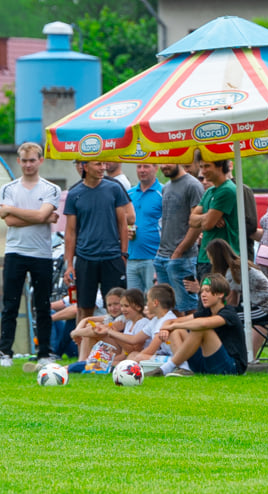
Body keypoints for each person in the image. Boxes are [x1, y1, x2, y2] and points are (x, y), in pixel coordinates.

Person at [0, 143, 61, 369]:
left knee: (42, 304)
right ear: (19, 161)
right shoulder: (9, 189)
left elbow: (38, 213)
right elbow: (10, 221)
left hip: (41, 254)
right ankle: (5, 351)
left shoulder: (50, 188)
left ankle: (44, 353)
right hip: (15, 251)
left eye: (32, 160)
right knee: (10, 304)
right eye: (24, 161)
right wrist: (41, 217)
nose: (28, 165)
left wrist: (35, 215)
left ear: (40, 161)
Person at [63, 160, 130, 326]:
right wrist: (69, 264)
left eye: (103, 164)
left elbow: (123, 223)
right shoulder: (74, 193)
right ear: (86, 167)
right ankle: (83, 350)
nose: (103, 167)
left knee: (116, 307)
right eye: (98, 164)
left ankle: (116, 349)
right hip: (85, 258)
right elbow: (70, 232)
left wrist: (123, 254)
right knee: (84, 308)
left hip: (112, 257)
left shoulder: (114, 189)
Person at [145, 274, 248, 377]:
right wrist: (166, 328)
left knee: (202, 329)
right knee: (177, 330)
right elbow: (172, 321)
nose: (203, 295)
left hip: (232, 367)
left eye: (207, 291)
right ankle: (184, 367)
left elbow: (204, 323)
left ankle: (166, 368)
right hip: (208, 363)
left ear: (220, 294)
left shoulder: (229, 312)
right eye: (202, 291)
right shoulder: (205, 311)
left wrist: (173, 326)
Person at [206, 238, 268, 355]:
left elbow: (229, 300)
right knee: (227, 315)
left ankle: (227, 351)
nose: (210, 261)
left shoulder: (233, 272)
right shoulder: (239, 265)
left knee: (225, 318)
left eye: (210, 257)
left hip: (266, 309)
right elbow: (234, 301)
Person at [154, 163, 204, 315]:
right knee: (168, 307)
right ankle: (178, 339)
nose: (164, 166)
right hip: (162, 256)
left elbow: (197, 224)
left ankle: (193, 338)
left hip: (183, 258)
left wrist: (179, 251)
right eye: (161, 163)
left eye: (168, 162)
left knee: (189, 306)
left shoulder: (193, 185)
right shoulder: (166, 187)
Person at [189, 155, 240, 278]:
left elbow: (207, 225)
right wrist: (209, 215)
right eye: (201, 167)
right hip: (205, 256)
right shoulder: (210, 191)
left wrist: (208, 218)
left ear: (220, 166)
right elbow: (191, 220)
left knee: (217, 296)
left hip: (222, 258)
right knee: (205, 296)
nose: (203, 171)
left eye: (207, 166)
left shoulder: (227, 190)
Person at [126, 163, 163, 293]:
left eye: (146, 166)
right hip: (131, 257)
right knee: (133, 304)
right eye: (139, 166)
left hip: (154, 258)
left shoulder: (163, 192)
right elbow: (121, 221)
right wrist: (126, 229)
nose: (142, 170)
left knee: (155, 302)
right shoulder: (129, 194)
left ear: (156, 168)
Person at [88, 288, 149, 365]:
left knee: (98, 364)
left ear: (138, 307)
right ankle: (84, 363)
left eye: (126, 306)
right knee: (96, 363)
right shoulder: (129, 322)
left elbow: (135, 349)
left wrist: (114, 335)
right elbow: (125, 353)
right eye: (122, 306)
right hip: (130, 357)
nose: (123, 309)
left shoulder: (143, 323)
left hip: (139, 358)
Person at [69, 286, 125, 361]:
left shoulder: (123, 319)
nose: (112, 308)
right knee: (90, 327)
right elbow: (86, 319)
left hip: (121, 353)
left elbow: (99, 330)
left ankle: (82, 362)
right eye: (109, 305)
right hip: (111, 348)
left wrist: (75, 333)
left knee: (94, 329)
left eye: (116, 304)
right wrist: (77, 331)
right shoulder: (110, 317)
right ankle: (83, 360)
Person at [128, 284, 179, 362]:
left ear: (155, 303)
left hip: (174, 359)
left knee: (139, 357)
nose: (147, 304)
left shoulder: (167, 319)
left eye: (148, 300)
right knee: (133, 354)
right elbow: (134, 339)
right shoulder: (156, 319)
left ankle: (126, 369)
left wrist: (134, 360)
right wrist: (109, 331)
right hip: (165, 355)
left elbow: (150, 350)